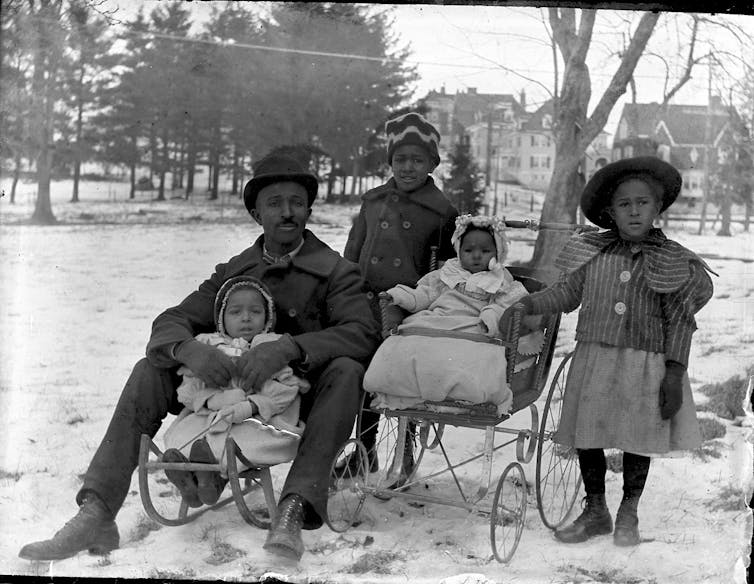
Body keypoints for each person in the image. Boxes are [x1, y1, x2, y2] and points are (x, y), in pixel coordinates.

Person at [19, 153, 380, 563]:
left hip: (296, 397)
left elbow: (361, 331)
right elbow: (173, 319)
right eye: (274, 203)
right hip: (226, 387)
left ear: (309, 210)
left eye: (297, 202)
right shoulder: (233, 271)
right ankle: (97, 511)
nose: (287, 212)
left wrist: (289, 349)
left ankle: (294, 509)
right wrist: (188, 349)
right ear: (255, 213)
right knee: (150, 369)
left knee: (348, 369)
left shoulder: (336, 271)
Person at [499, 156, 715, 547]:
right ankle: (596, 509)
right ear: (610, 212)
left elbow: (681, 321)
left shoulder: (671, 260)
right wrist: (530, 304)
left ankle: (629, 511)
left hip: (644, 362)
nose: (634, 210)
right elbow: (566, 294)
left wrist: (673, 371)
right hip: (595, 356)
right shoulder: (592, 252)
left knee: (638, 435)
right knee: (588, 431)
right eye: (624, 204)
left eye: (643, 202)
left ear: (657, 207)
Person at [342, 111, 458, 475]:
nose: (408, 167)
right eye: (400, 159)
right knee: (363, 376)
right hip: (364, 302)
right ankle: (365, 450)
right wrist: (346, 289)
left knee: (399, 379)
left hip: (409, 307)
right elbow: (353, 250)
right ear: (390, 161)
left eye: (417, 160)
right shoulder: (373, 202)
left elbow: (445, 269)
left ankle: (404, 453)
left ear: (431, 164)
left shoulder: (441, 212)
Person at [363, 214, 543, 415]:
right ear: (459, 250)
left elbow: (505, 305)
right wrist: (401, 296)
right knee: (405, 345)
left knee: (466, 355)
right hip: (435, 321)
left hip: (473, 324)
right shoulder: (448, 273)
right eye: (468, 250)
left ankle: (463, 395)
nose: (476, 256)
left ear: (498, 252)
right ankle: (400, 389)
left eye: (485, 251)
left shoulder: (500, 279)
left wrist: (490, 316)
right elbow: (425, 294)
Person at [160, 275, 310, 507]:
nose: (246, 318)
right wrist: (212, 400)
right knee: (189, 435)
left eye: (255, 312)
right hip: (213, 415)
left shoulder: (271, 347)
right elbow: (188, 390)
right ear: (222, 318)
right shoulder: (209, 345)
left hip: (259, 418)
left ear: (267, 317)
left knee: (245, 440)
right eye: (236, 312)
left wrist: (251, 405)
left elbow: (286, 390)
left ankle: (209, 477)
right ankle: (193, 478)